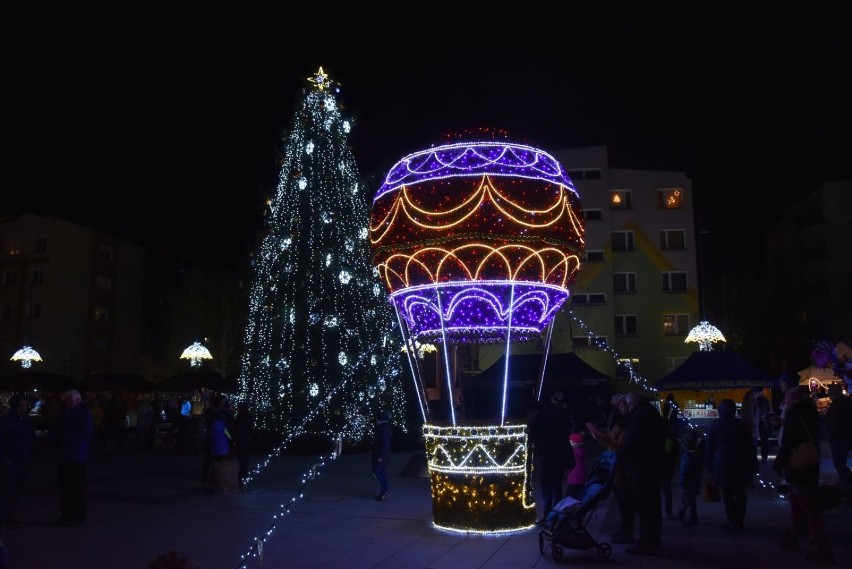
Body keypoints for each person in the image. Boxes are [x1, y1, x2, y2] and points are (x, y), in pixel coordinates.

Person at [774, 385, 834, 563]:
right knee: (799, 501)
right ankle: (793, 536)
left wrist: (779, 462)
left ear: (793, 398)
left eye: (787, 397)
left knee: (807, 505)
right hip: (810, 460)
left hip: (798, 463)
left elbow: (789, 439)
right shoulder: (810, 412)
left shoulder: (795, 413)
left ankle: (824, 548)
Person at [617, 391, 667, 554]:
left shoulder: (641, 415)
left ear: (635, 403)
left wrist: (621, 452)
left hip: (644, 468)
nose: (627, 408)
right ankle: (651, 541)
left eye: (629, 404)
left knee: (646, 507)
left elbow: (633, 439)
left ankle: (647, 542)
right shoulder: (647, 413)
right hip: (651, 466)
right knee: (649, 506)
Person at [704, 398, 758, 532]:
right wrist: (753, 463)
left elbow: (710, 447)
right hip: (741, 461)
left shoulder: (714, 425)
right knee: (740, 491)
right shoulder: (742, 425)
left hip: (722, 463)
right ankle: (739, 518)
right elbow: (750, 446)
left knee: (727, 493)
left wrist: (708, 465)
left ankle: (733, 519)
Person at [588, 394, 632, 543]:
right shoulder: (620, 422)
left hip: (622, 468)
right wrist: (600, 437)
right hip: (616, 466)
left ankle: (627, 533)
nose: (619, 407)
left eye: (622, 405)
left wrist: (605, 439)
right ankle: (623, 531)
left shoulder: (627, 424)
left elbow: (620, 447)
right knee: (621, 501)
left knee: (625, 502)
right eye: (618, 405)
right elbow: (612, 443)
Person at [528, 391, 574, 523]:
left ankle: (548, 516)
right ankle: (557, 514)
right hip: (559, 459)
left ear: (532, 412)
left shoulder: (539, 423)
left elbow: (538, 440)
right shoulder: (551, 417)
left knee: (547, 487)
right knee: (556, 486)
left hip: (550, 460)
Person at [53, 389, 93, 527]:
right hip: (66, 454)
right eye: (66, 400)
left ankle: (77, 515)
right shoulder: (64, 413)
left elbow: (84, 434)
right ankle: (67, 514)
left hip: (76, 455)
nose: (67, 403)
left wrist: (66, 439)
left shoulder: (83, 414)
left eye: (70, 400)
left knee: (76, 487)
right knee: (66, 487)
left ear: (77, 400)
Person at [0, 394, 36, 528]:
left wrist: (32, 457)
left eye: (25, 405)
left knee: (16, 491)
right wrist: (6, 459)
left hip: (23, 461)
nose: (23, 408)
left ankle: (10, 516)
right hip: (10, 462)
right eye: (20, 405)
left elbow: (32, 441)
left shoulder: (27, 422)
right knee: (5, 491)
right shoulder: (6, 422)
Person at [825, 383, 852, 495]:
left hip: (840, 437)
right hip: (845, 436)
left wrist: (831, 434)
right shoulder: (846, 402)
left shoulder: (838, 404)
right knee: (840, 462)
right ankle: (846, 482)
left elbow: (836, 422)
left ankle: (847, 483)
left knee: (839, 462)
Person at [672, 429, 703, 526]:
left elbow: (685, 471)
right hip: (694, 482)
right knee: (687, 499)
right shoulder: (696, 454)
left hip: (687, 483)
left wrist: (682, 482)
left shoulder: (688, 456)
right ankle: (681, 513)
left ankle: (693, 518)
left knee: (689, 500)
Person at [230, 401, 254, 488]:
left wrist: (234, 438)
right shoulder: (247, 417)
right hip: (244, 441)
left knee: (241, 461)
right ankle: (242, 478)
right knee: (243, 461)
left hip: (242, 441)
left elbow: (237, 429)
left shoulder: (241, 417)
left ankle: (240, 478)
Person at [371, 410, 392, 501]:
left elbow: (384, 444)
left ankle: (385, 491)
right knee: (382, 473)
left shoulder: (383, 429)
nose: (375, 421)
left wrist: (381, 456)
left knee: (376, 472)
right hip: (382, 456)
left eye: (376, 419)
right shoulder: (383, 428)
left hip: (381, 456)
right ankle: (384, 492)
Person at [564, 432, 587, 499]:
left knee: (569, 496)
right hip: (581, 476)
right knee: (579, 493)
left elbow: (570, 464)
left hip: (574, 476)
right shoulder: (582, 449)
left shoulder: (573, 452)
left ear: (573, 443)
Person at [755, 388, 771, 463]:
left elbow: (765, 412)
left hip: (760, 423)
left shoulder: (756, 400)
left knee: (762, 440)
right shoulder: (764, 399)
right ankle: (764, 456)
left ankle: (763, 456)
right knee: (764, 441)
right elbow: (767, 412)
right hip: (763, 423)